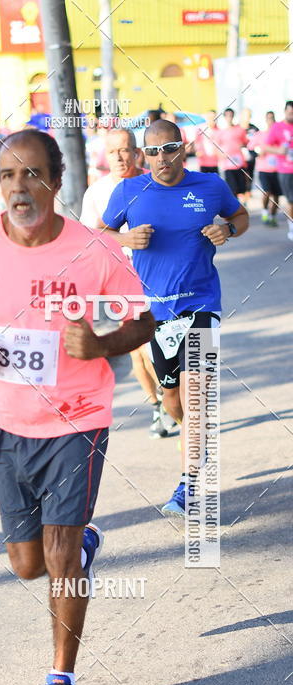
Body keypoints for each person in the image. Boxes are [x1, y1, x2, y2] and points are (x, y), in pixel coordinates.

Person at [0, 129, 154, 685]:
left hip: (77, 418)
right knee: (27, 564)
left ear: (57, 182)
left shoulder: (93, 250)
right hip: (5, 420)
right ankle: (78, 546)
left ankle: (61, 682)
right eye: (8, 175)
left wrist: (103, 344)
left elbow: (144, 320)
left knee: (58, 559)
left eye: (32, 174)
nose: (19, 187)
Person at [102, 119, 249, 516]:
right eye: (151, 151)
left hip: (202, 305)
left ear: (182, 148)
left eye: (168, 149)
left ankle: (189, 484)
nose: (160, 158)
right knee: (173, 398)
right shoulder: (129, 191)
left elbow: (240, 216)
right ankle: (188, 430)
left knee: (196, 395)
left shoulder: (211, 186)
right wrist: (125, 239)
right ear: (142, 155)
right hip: (156, 314)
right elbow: (98, 233)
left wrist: (227, 231)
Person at [80, 127, 176, 438]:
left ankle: (169, 396)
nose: (120, 157)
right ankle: (157, 405)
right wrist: (123, 238)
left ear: (137, 152)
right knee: (138, 349)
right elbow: (88, 238)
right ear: (104, 156)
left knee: (162, 346)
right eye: (113, 151)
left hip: (161, 276)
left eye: (125, 150)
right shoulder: (96, 192)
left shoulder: (154, 182)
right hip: (120, 280)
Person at [265, 100, 293, 241]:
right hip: (286, 170)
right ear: (285, 111)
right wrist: (279, 150)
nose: (292, 116)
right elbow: (266, 146)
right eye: (290, 113)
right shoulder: (278, 127)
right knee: (291, 201)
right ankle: (292, 228)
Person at [248, 111, 280, 226]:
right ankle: (265, 212)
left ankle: (273, 217)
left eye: (273, 118)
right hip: (263, 169)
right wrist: (258, 153)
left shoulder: (278, 134)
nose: (271, 121)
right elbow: (250, 148)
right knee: (267, 192)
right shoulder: (260, 134)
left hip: (277, 169)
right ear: (266, 120)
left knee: (276, 195)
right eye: (269, 118)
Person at [216, 108, 249, 203]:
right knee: (232, 188)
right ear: (225, 117)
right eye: (227, 116)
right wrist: (221, 155)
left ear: (233, 116)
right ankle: (235, 207)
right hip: (228, 165)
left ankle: (242, 205)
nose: (229, 118)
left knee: (242, 188)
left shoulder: (240, 129)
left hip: (240, 163)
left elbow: (246, 143)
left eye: (231, 115)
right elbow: (216, 148)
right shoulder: (221, 132)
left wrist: (242, 145)